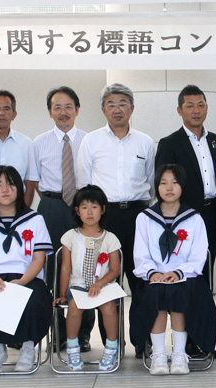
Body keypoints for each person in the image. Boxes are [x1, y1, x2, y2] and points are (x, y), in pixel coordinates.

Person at [77, 83, 155, 356]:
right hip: (104, 218)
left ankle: (142, 341)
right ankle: (113, 342)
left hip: (138, 215)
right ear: (103, 109)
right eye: (111, 104)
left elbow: (152, 183)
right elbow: (83, 183)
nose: (117, 109)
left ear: (132, 108)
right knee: (106, 281)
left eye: (123, 103)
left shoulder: (145, 141)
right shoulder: (91, 141)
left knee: (141, 280)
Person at [130, 164, 216, 375]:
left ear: (182, 186)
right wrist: (154, 273)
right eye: (163, 183)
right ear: (156, 187)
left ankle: (179, 354)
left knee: (179, 292)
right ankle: (159, 354)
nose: (169, 188)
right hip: (153, 277)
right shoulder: (144, 218)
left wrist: (179, 272)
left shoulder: (194, 218)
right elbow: (140, 255)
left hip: (186, 276)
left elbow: (199, 256)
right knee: (157, 291)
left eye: (174, 183)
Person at [0, 166, 53, 374]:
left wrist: (23, 281)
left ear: (20, 188)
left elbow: (38, 259)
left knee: (36, 299)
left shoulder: (34, 220)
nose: (5, 189)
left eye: (10, 184)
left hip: (26, 276)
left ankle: (27, 349)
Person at [26, 86, 92, 351]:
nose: (63, 113)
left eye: (68, 107)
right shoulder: (38, 142)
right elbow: (35, 181)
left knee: (84, 269)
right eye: (57, 107)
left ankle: (83, 333)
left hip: (84, 209)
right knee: (52, 271)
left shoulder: (89, 140)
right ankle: (58, 332)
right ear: (50, 112)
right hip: (51, 207)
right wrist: (56, 199)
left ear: (77, 110)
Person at [155, 84, 216, 288]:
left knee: (207, 269)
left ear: (206, 108)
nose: (196, 111)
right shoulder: (169, 143)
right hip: (184, 216)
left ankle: (203, 315)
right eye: (190, 106)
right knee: (184, 270)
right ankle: (183, 316)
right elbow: (162, 185)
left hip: (212, 214)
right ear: (180, 110)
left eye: (200, 105)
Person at [55, 185, 122, 371]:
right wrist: (62, 294)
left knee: (108, 306)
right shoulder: (70, 236)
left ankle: (111, 348)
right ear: (77, 211)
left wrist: (99, 284)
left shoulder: (110, 239)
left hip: (104, 286)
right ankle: (73, 347)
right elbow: (66, 267)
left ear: (103, 209)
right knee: (75, 306)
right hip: (78, 286)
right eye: (84, 207)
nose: (89, 212)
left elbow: (114, 270)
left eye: (94, 206)